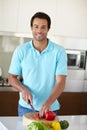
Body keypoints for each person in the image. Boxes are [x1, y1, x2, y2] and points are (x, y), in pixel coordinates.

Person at [8, 12, 67, 117]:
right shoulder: (21, 50)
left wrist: (48, 103)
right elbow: (11, 77)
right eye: (36, 26)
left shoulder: (59, 51)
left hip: (50, 108)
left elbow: (61, 81)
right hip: (26, 107)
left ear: (48, 29)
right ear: (31, 28)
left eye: (43, 27)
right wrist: (23, 90)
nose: (39, 30)